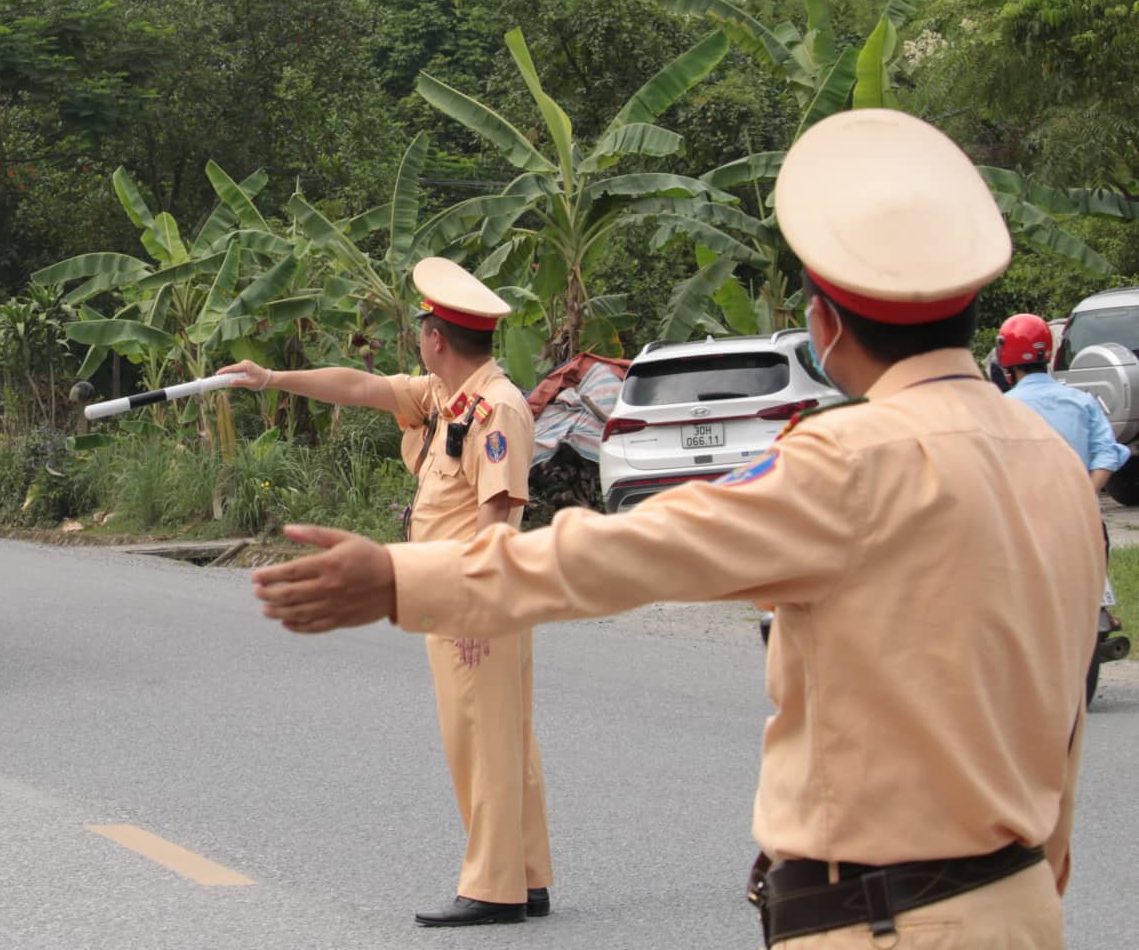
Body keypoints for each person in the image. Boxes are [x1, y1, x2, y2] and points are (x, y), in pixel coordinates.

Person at [250, 110, 1106, 949]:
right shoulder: (1055, 465)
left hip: (887, 919)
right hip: (1019, 906)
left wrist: (404, 581)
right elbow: (1064, 718)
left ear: (824, 326)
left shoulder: (849, 459)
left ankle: (505, 877)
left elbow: (635, 550)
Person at [217, 256, 553, 928]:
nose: (420, 341)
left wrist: (476, 604)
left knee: (480, 740)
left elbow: (498, 519)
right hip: (451, 593)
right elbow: (361, 387)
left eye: (423, 330)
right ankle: (526, 874)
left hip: (472, 597)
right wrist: (272, 378)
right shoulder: (445, 397)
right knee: (502, 738)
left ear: (436, 339)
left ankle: (493, 887)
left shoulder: (498, 409)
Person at [997, 313, 1133, 493]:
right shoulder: (1082, 401)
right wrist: (1086, 498)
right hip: (1080, 515)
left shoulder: (1000, 407)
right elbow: (1107, 453)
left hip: (1025, 516)